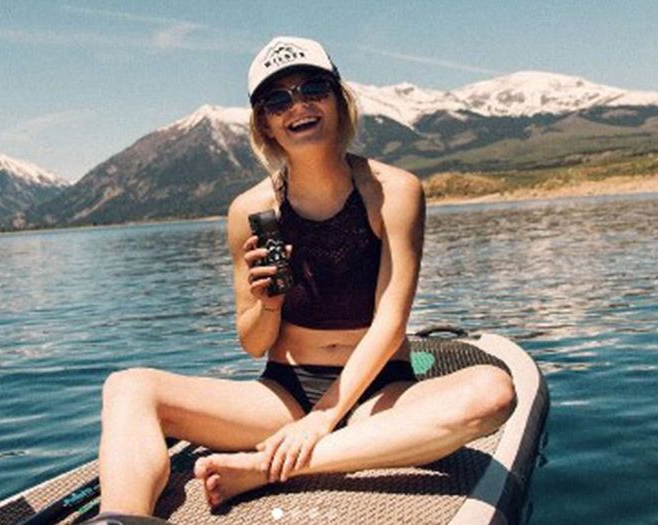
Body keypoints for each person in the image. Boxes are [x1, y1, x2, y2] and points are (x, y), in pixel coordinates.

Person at [94, 36, 516, 516]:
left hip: (381, 391)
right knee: (129, 386)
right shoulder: (251, 210)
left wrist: (322, 420)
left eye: (313, 88)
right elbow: (254, 344)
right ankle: (122, 517)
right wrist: (267, 304)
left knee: (491, 391)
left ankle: (266, 468)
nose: (298, 105)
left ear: (339, 99)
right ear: (266, 124)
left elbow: (391, 322)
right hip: (285, 391)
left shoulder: (394, 191)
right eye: (278, 99)